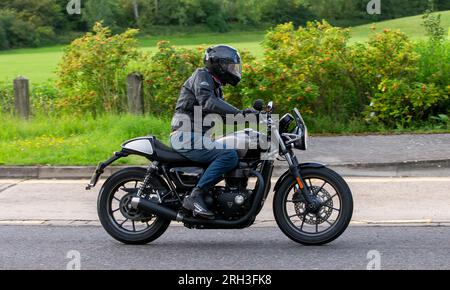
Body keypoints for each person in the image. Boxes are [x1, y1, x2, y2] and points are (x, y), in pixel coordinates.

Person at [170, 45, 256, 219]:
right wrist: (239, 113)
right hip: (184, 135)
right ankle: (196, 195)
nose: (233, 70)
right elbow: (208, 102)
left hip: (197, 137)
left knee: (236, 150)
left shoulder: (215, 86)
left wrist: (251, 118)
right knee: (228, 155)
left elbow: (221, 117)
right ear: (219, 65)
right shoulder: (202, 76)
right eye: (231, 66)